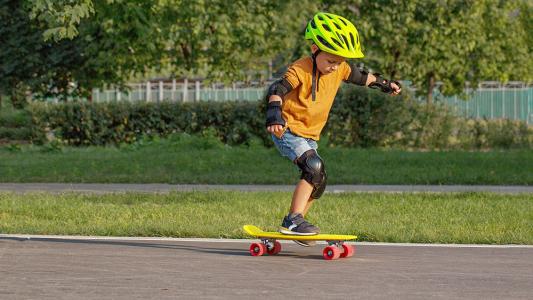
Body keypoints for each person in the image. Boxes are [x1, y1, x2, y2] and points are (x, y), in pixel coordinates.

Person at [265, 12, 401, 245]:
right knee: (313, 166)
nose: (334, 67)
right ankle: (293, 220)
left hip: (309, 136)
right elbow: (277, 89)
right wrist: (274, 116)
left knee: (319, 179)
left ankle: (297, 224)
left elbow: (361, 76)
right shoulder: (301, 69)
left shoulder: (339, 68)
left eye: (339, 62)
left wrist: (384, 84)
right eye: (330, 61)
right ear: (315, 48)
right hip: (287, 130)